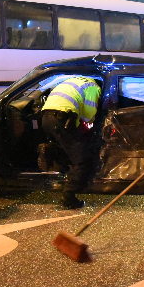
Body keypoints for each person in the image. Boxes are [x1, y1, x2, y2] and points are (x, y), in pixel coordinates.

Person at [41, 76, 101, 209]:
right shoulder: (93, 87)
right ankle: (68, 197)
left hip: (46, 118)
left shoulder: (72, 80)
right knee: (82, 159)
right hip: (63, 119)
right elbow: (88, 114)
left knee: (66, 147)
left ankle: (50, 152)